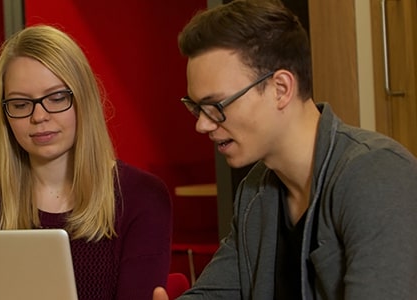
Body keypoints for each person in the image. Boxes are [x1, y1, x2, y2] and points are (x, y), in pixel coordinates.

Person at [153, 0, 417, 299]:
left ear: (280, 88)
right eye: (197, 108)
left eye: (216, 106)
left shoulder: (377, 173)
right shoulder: (255, 192)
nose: (202, 125)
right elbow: (215, 292)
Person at [0, 24, 172, 300]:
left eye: (56, 98)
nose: (39, 116)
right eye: (20, 104)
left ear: (84, 99)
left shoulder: (142, 197)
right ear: (5, 115)